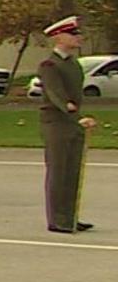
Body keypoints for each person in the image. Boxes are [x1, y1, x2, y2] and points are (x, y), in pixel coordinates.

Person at [37, 16, 97, 234]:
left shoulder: (72, 63)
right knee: (59, 171)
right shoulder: (49, 65)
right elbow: (56, 94)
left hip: (73, 122)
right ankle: (57, 219)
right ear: (59, 37)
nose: (78, 38)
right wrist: (73, 112)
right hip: (56, 123)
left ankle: (70, 217)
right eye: (73, 34)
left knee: (73, 171)